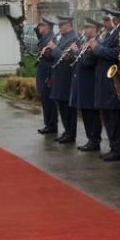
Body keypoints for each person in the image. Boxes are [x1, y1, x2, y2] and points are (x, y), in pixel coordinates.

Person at [90, 8, 120, 161]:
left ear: (115, 20)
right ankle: (113, 147)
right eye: (104, 20)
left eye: (107, 20)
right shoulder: (108, 34)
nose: (104, 23)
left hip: (114, 82)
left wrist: (97, 48)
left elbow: (116, 53)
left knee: (115, 118)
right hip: (104, 82)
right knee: (107, 116)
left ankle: (118, 150)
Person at [70, 18, 103, 152]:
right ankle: (90, 139)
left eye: (89, 27)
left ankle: (95, 140)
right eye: (86, 27)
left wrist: (76, 52)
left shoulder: (96, 43)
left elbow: (88, 62)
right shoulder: (85, 42)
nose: (86, 29)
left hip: (91, 85)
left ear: (96, 29)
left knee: (92, 114)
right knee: (86, 113)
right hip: (83, 84)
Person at [48, 16, 79, 144]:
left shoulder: (74, 38)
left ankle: (71, 133)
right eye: (59, 25)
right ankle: (66, 131)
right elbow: (57, 56)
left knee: (68, 108)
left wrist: (54, 48)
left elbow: (66, 57)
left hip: (67, 77)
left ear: (69, 24)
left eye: (62, 25)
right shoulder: (63, 38)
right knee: (61, 106)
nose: (59, 28)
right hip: (59, 77)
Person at [35, 17, 59, 135]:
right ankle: (48, 124)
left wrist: (50, 76)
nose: (39, 27)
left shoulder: (51, 38)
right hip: (43, 73)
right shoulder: (45, 37)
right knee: (45, 100)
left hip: (47, 75)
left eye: (42, 25)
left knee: (49, 101)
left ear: (47, 27)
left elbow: (52, 60)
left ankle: (51, 125)